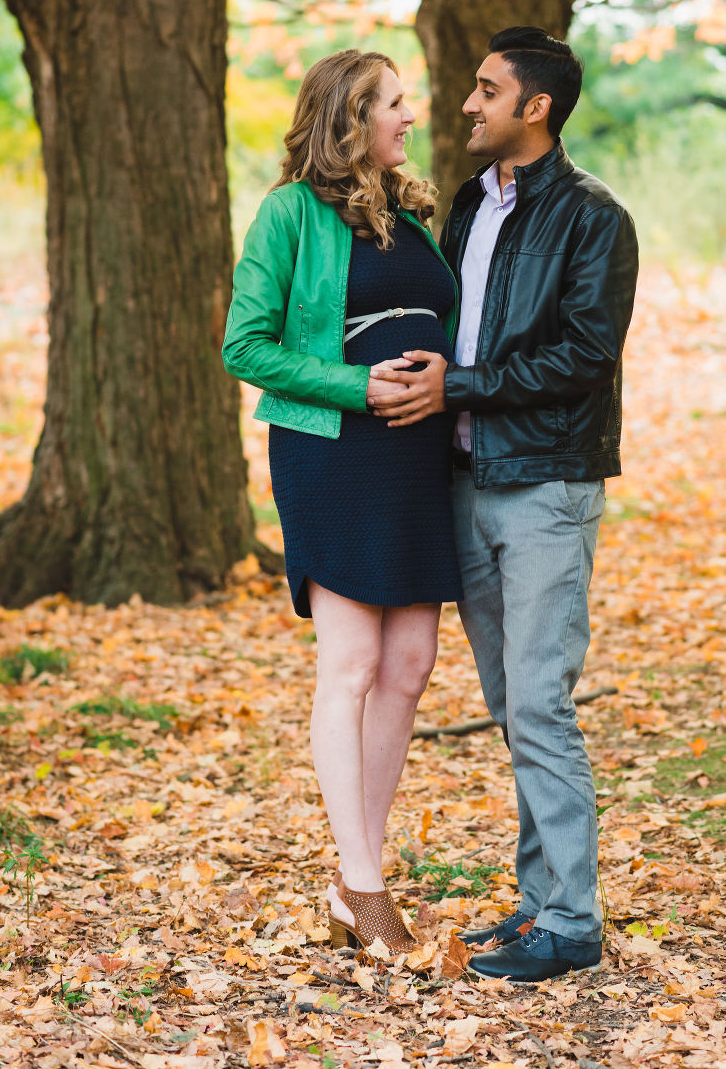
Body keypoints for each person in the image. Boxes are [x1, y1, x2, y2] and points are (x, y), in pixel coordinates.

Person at [371, 26, 638, 982]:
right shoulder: (470, 207)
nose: (468, 104)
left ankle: (571, 921)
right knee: (508, 701)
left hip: (544, 487)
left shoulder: (594, 217)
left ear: (536, 109)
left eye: (488, 90)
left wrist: (461, 387)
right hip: (464, 481)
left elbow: (583, 356)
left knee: (539, 701)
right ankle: (539, 904)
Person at [222, 49, 462, 956]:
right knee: (352, 663)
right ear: (350, 118)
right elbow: (245, 347)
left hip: (418, 459)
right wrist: (358, 387)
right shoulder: (288, 213)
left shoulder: (410, 208)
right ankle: (363, 885)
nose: (412, 116)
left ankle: (350, 874)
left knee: (410, 663)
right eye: (395, 104)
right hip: (334, 453)